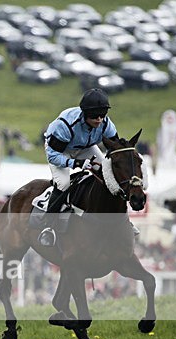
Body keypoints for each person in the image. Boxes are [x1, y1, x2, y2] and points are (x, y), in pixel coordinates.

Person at [38, 88, 119, 247]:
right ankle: (49, 226)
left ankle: (118, 219)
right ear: (85, 113)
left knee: (108, 174)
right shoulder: (66, 125)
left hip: (86, 148)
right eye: (95, 116)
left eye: (102, 115)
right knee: (63, 183)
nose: (99, 120)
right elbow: (52, 155)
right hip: (60, 150)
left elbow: (115, 148)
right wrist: (75, 164)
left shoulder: (106, 124)